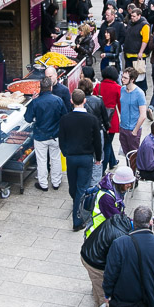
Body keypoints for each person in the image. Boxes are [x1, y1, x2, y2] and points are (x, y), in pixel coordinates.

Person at [80, 208, 134, 307]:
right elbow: (115, 263)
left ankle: (97, 297)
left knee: (97, 283)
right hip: (94, 262)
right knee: (102, 290)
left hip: (88, 251)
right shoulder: (121, 238)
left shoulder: (119, 219)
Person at [60, 90, 103, 231]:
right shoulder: (92, 120)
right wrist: (98, 158)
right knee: (82, 188)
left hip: (71, 158)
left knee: (73, 186)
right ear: (84, 101)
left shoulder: (65, 119)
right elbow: (97, 141)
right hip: (86, 158)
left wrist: (66, 152)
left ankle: (76, 203)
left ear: (71, 101)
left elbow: (62, 140)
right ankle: (77, 220)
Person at [25, 76, 68, 191]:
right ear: (51, 87)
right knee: (56, 159)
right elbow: (65, 116)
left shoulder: (36, 102)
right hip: (55, 135)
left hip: (40, 136)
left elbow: (28, 118)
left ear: (40, 87)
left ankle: (43, 184)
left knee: (42, 160)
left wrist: (32, 102)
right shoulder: (58, 100)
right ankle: (56, 182)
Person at [86, 165, 137, 238]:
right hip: (97, 236)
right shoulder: (106, 197)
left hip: (104, 230)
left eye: (131, 182)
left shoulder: (116, 190)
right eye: (127, 183)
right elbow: (117, 218)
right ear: (120, 183)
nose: (130, 185)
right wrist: (136, 223)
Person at [79, 78, 110, 186]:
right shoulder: (98, 100)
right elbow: (105, 117)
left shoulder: (78, 102)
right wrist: (107, 127)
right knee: (98, 158)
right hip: (98, 132)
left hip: (83, 134)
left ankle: (85, 181)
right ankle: (95, 184)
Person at [118, 67, 148, 159]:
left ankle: (134, 173)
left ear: (132, 79)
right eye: (122, 77)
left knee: (134, 157)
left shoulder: (139, 93)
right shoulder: (122, 90)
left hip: (133, 129)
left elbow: (143, 115)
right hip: (123, 128)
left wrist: (135, 131)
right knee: (126, 155)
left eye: (125, 78)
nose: (122, 79)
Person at [96, 66, 122, 168]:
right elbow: (120, 105)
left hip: (99, 119)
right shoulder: (117, 88)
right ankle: (104, 167)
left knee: (106, 142)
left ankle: (112, 162)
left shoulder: (98, 86)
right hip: (112, 120)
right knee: (107, 144)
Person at [122, 8, 152, 90]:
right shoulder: (130, 23)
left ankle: (141, 91)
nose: (132, 18)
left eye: (134, 16)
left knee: (139, 77)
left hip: (137, 55)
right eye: (131, 16)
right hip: (128, 54)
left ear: (139, 16)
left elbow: (145, 40)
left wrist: (141, 52)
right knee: (128, 76)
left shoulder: (144, 25)